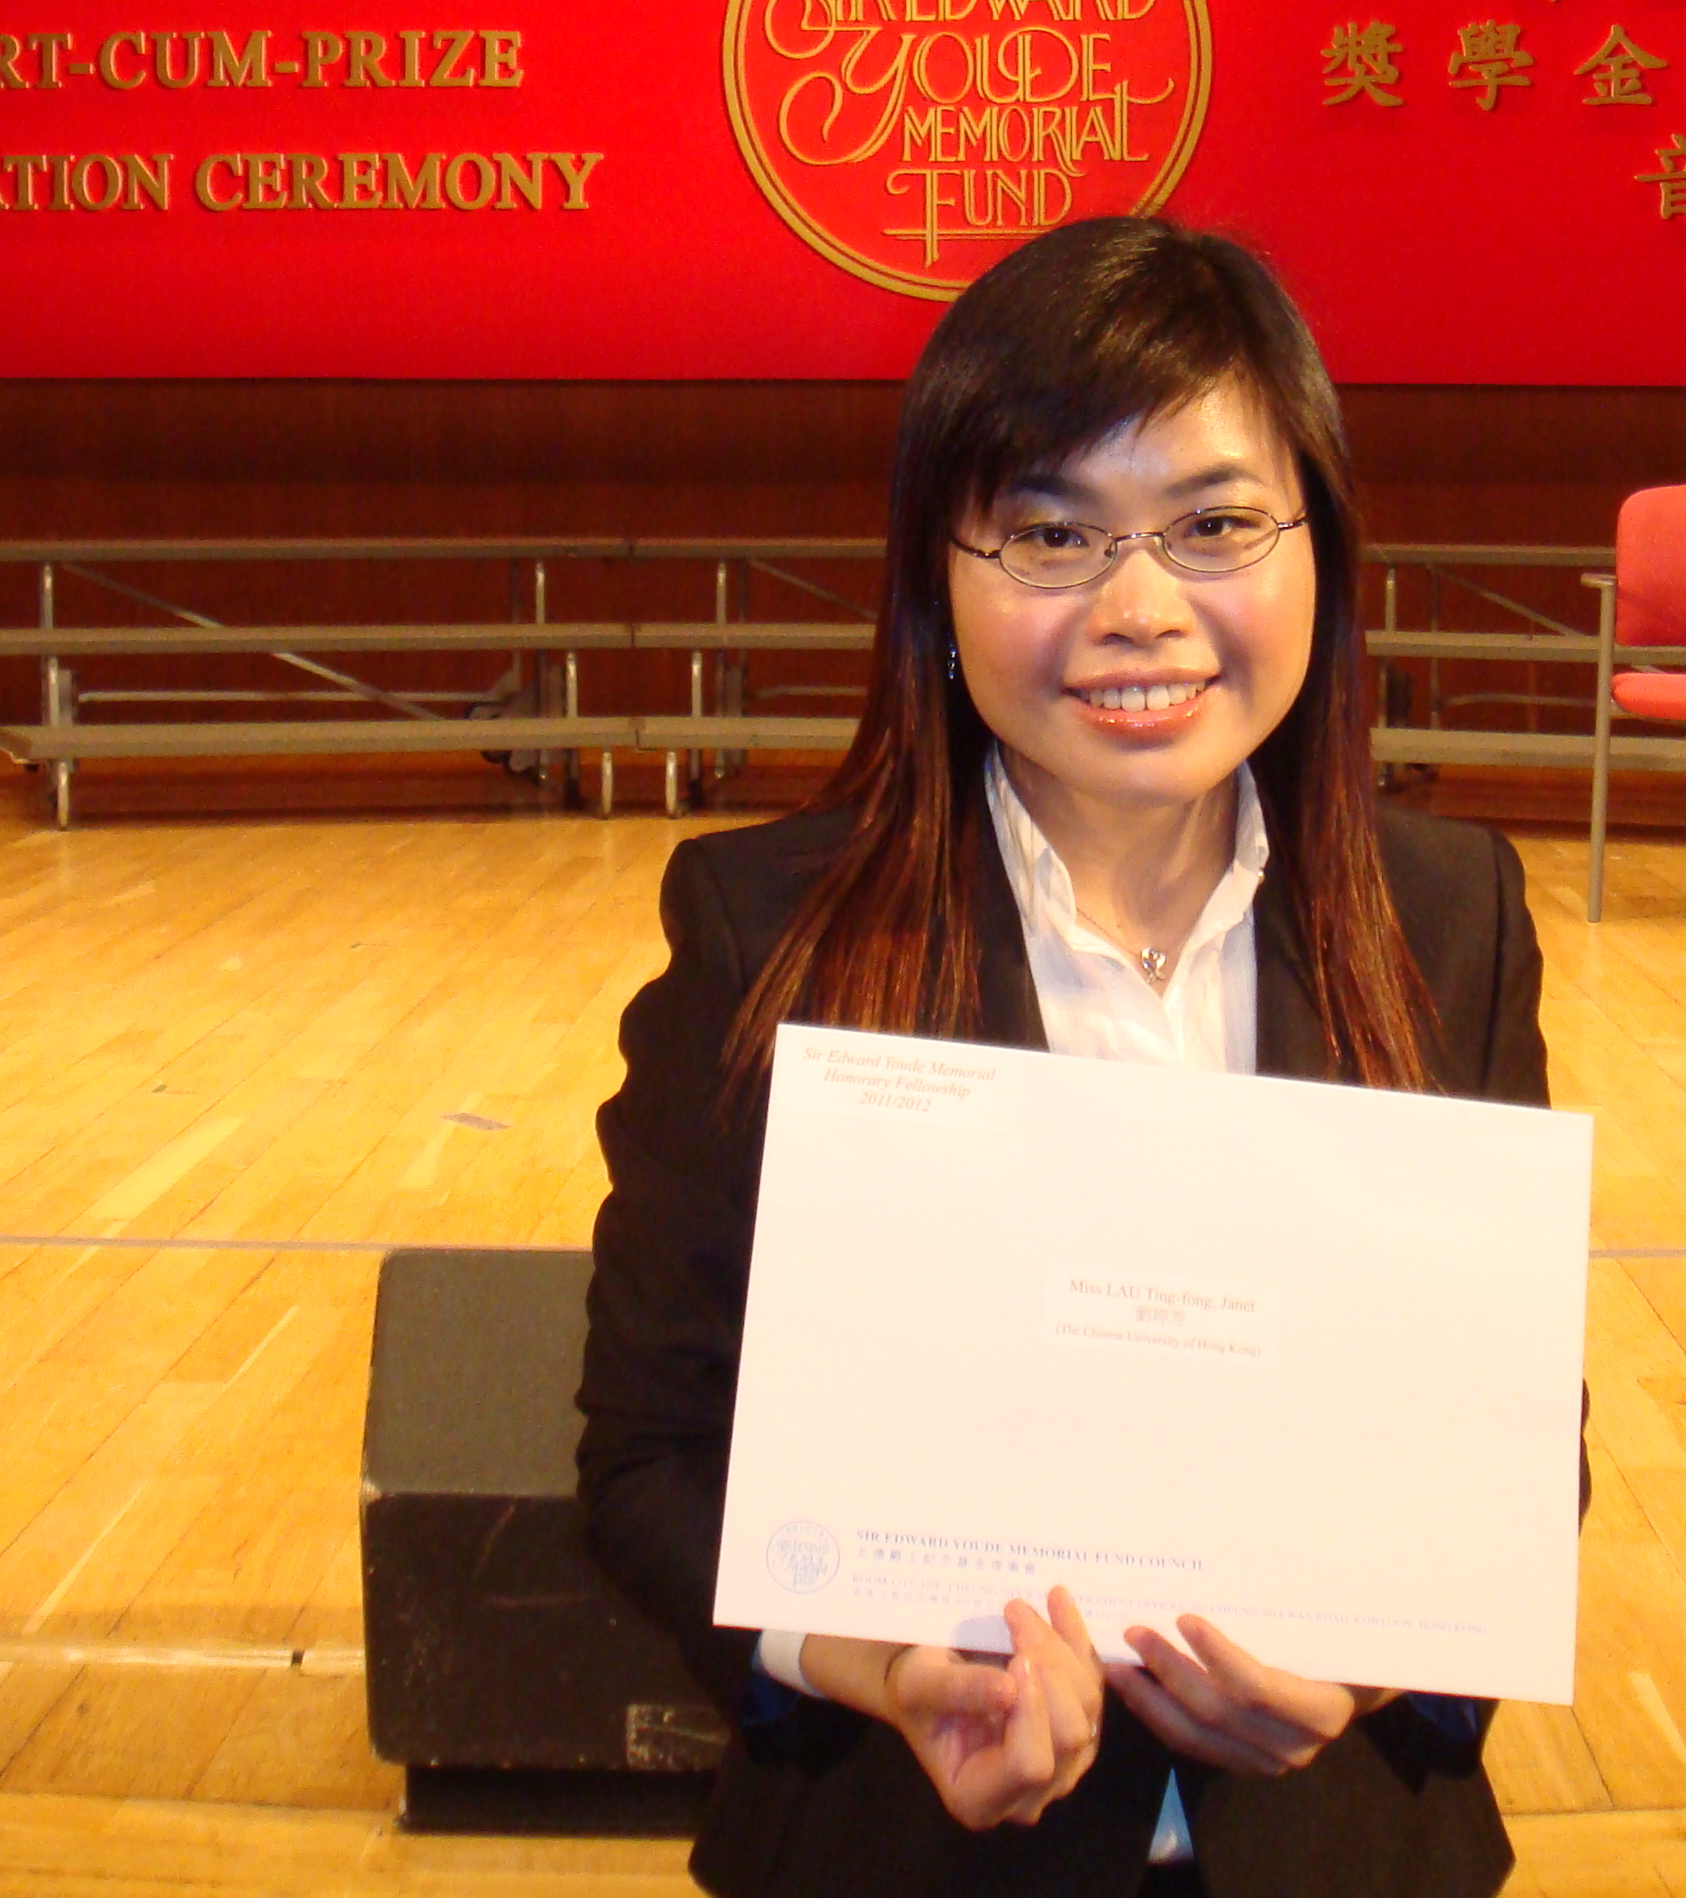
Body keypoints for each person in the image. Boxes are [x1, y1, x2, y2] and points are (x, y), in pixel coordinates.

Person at [577, 217, 1561, 1898]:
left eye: (1214, 523)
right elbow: (647, 1463)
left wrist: (1373, 1663)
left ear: (1319, 540)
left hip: (1342, 1857)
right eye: (1052, 532)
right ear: (935, 579)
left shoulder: (1447, 914)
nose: (1139, 607)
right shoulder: (766, 933)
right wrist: (876, 1667)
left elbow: (1519, 1437)